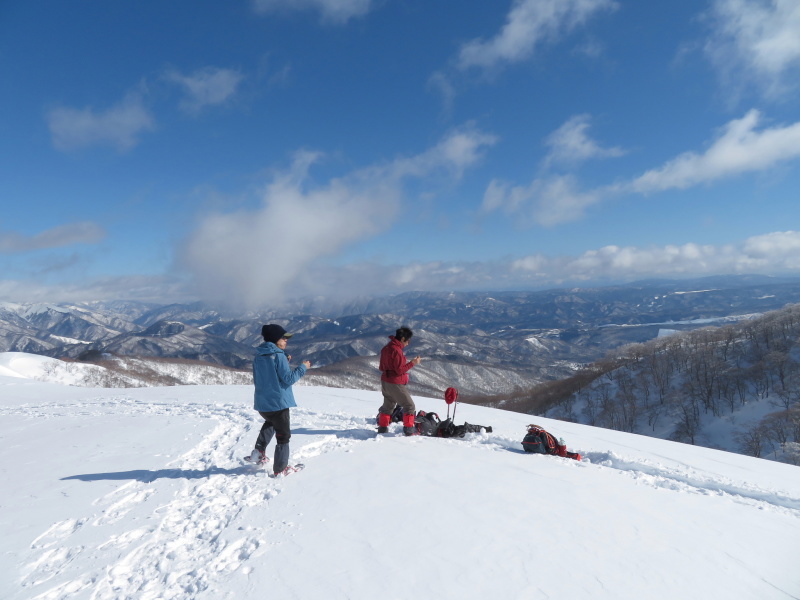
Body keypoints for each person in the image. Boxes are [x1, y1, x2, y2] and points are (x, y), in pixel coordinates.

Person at [247, 324, 311, 476]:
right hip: (278, 402)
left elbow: (268, 374)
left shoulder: (259, 355)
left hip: (263, 402)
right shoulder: (279, 356)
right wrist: (303, 367)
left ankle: (258, 451)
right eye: (283, 337)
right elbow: (288, 379)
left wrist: (284, 360)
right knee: (283, 436)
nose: (286, 340)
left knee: (270, 422)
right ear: (276, 339)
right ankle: (281, 469)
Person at [376, 326, 422, 435]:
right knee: (409, 406)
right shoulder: (396, 351)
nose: (408, 343)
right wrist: (413, 363)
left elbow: (381, 367)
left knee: (388, 406)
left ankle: (382, 429)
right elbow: (399, 370)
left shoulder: (386, 348)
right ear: (402, 339)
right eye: (408, 340)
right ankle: (409, 431)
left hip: (385, 381)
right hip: (395, 382)